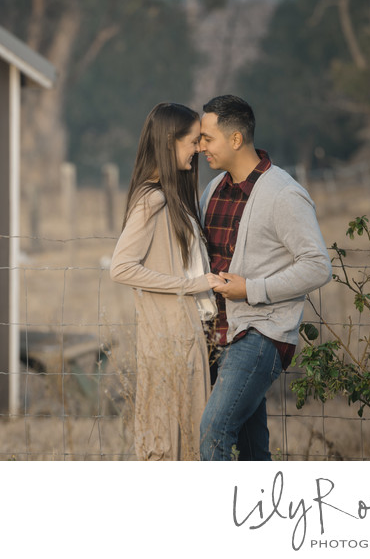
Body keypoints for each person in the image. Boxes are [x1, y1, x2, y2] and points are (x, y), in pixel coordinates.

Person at [197, 94, 332, 461]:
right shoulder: (212, 191)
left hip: (263, 335)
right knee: (254, 451)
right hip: (220, 335)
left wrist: (252, 289)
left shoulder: (284, 194)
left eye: (207, 138)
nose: (200, 146)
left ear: (236, 139)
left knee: (213, 432)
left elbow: (318, 265)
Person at [110, 102, 221, 460]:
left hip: (185, 335)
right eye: (192, 141)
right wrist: (193, 284)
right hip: (170, 340)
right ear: (170, 142)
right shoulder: (152, 199)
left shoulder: (170, 198)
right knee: (169, 443)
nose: (199, 149)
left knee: (188, 440)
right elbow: (122, 267)